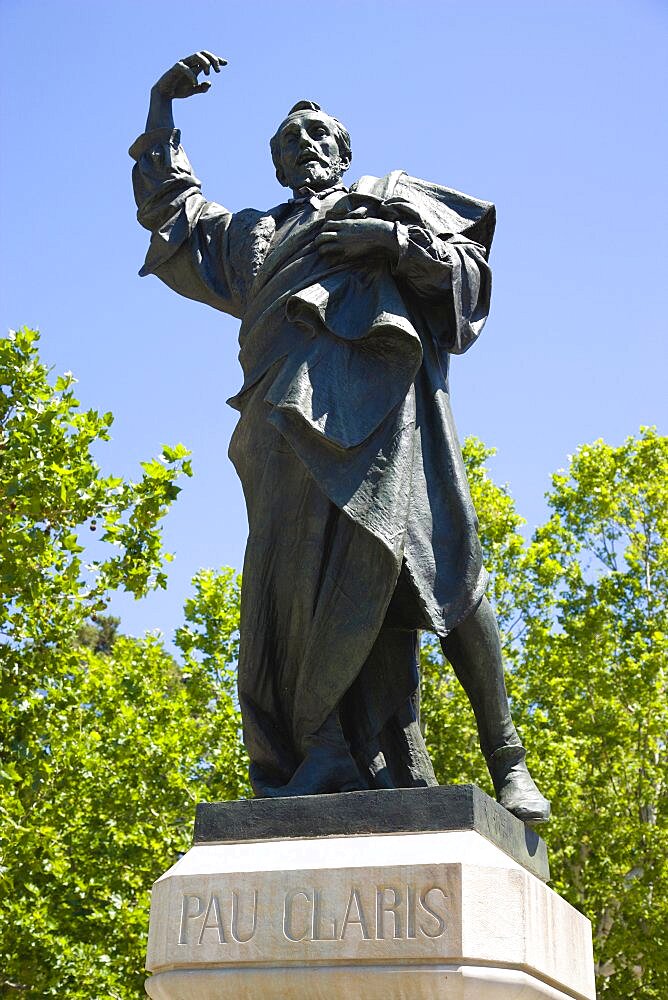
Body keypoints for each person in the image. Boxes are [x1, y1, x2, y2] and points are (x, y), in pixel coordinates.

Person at [130, 52, 550, 823]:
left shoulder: (391, 199)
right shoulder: (253, 237)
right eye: (289, 141)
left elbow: (472, 275)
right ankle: (323, 750)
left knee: (439, 570)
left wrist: (393, 247)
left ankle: (509, 759)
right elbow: (172, 207)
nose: (304, 147)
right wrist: (162, 105)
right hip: (282, 437)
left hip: (387, 425)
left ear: (344, 150)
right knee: (294, 598)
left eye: (317, 134)